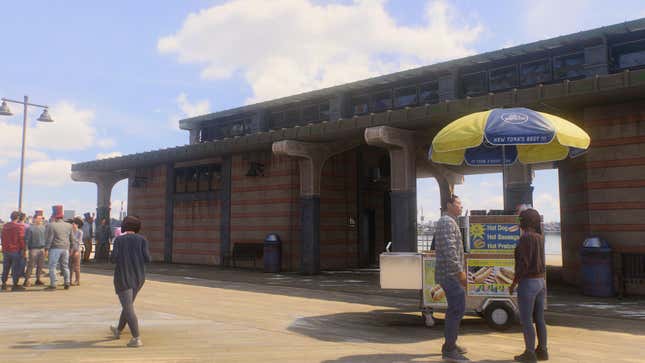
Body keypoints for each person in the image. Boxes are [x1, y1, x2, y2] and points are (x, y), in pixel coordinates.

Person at [509, 208, 548, 363]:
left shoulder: (524, 239)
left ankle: (529, 353)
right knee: (540, 318)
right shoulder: (540, 237)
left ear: (524, 222)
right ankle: (543, 350)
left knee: (526, 320)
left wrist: (513, 283)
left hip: (528, 283)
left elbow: (522, 265)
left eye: (520, 220)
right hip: (541, 282)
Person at [434, 195, 469, 362]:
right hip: (450, 274)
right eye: (458, 203)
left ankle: (451, 344)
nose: (461, 206)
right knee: (457, 310)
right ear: (449, 205)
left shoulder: (447, 221)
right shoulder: (447, 222)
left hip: (449, 274)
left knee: (456, 309)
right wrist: (460, 273)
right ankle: (449, 349)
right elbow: (450, 251)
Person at [109, 215, 150, 348]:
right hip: (139, 278)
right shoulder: (142, 240)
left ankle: (136, 338)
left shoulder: (119, 240)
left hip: (123, 277)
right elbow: (147, 258)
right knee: (128, 305)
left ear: (124, 226)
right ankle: (118, 330)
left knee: (128, 308)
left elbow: (113, 258)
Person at [44, 205, 73, 290]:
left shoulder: (51, 225)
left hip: (55, 248)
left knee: (52, 266)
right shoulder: (69, 225)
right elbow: (71, 238)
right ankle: (67, 282)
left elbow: (49, 239)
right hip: (66, 248)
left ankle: (53, 283)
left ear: (54, 216)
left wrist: (46, 249)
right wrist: (71, 248)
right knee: (65, 266)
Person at [1, 211, 27, 291]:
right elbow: (21, 239)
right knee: (15, 268)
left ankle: (4, 283)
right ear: (18, 218)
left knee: (6, 268)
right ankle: (14, 284)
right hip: (16, 250)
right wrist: (24, 249)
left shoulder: (5, 226)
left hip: (6, 250)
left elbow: (2, 238)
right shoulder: (19, 227)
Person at [24, 212, 47, 287]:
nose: (41, 219)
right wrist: (26, 250)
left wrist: (46, 250)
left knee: (40, 265)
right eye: (39, 218)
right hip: (33, 249)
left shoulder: (44, 227)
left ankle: (38, 279)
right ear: (34, 219)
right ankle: (27, 280)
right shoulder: (30, 228)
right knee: (31, 265)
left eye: (41, 218)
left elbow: (46, 239)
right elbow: (26, 240)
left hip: (42, 249)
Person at [70, 217, 83, 286]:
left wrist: (73, 238)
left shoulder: (80, 232)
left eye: (74, 224)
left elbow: (79, 242)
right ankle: (69, 280)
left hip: (77, 250)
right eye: (72, 224)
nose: (73, 225)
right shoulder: (70, 231)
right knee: (70, 266)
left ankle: (77, 280)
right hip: (71, 250)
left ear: (77, 225)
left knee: (77, 267)